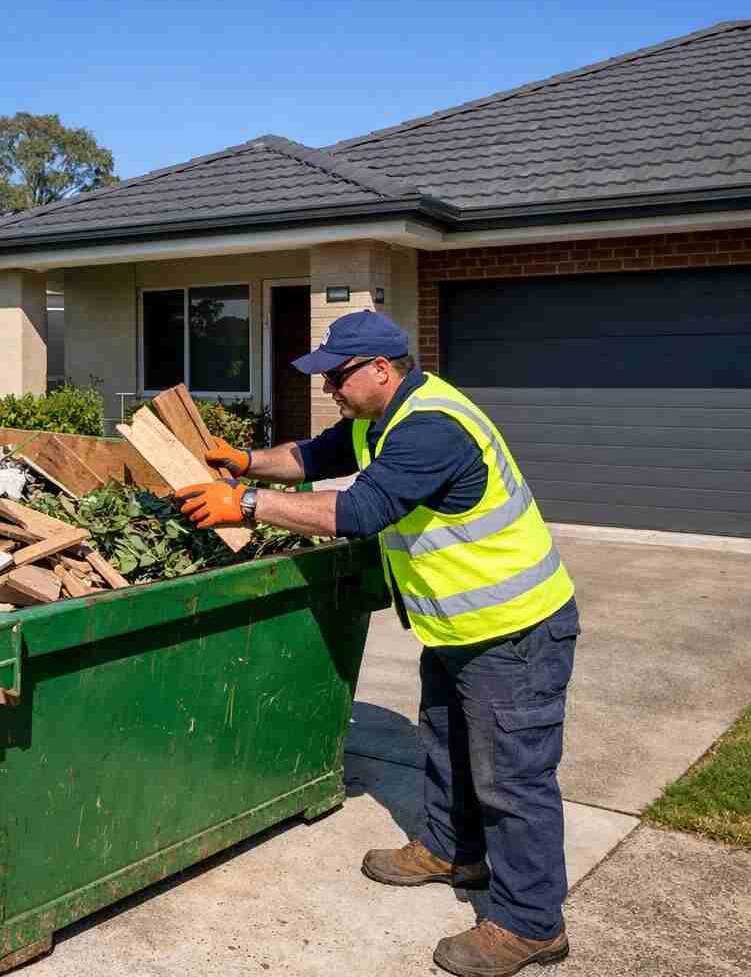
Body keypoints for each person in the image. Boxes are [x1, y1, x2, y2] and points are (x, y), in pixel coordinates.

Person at [175, 310, 579, 977]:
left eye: (337, 377)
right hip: (456, 629)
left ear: (382, 371)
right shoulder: (378, 417)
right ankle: (453, 850)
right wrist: (245, 462)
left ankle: (530, 924)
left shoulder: (431, 429)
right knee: (446, 749)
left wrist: (243, 504)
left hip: (515, 631)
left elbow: (357, 511)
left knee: (513, 780)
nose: (329, 389)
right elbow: (312, 457)